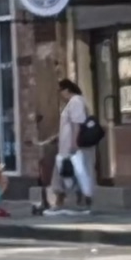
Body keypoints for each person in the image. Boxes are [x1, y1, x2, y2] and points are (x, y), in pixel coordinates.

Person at [48, 77, 96, 212]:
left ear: (66, 90)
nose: (60, 95)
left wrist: (74, 142)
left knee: (66, 172)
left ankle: (63, 200)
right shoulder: (73, 102)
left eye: (60, 91)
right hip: (66, 145)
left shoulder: (76, 102)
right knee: (73, 172)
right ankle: (80, 200)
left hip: (70, 146)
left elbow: (77, 123)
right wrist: (58, 136)